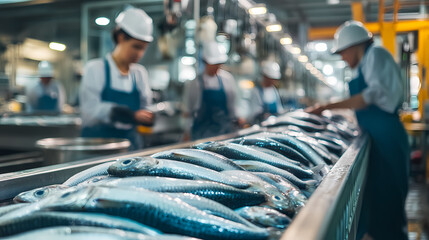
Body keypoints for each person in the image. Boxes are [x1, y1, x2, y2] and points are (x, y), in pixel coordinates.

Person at [306, 21, 410, 240]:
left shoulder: (376, 55)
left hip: (387, 136)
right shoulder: (366, 62)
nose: (342, 58)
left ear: (354, 45)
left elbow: (367, 98)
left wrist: (326, 107)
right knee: (379, 194)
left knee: (390, 194)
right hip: (378, 135)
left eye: (342, 52)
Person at [79, 7, 154, 150]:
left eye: (143, 48)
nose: (140, 53)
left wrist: (148, 117)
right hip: (98, 148)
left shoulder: (139, 74)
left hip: (130, 147)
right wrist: (128, 115)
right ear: (121, 38)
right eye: (136, 47)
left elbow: (145, 107)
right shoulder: (95, 68)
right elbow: (90, 111)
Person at [182, 41, 243, 141]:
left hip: (225, 133)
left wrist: (238, 119)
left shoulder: (227, 79)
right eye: (213, 64)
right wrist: (187, 132)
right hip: (201, 135)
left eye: (219, 64)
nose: (216, 67)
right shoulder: (195, 83)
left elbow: (233, 106)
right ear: (205, 61)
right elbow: (188, 112)